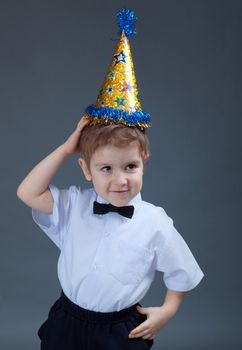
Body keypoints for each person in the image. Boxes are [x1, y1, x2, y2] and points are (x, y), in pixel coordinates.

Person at [17, 8, 204, 350]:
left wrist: (169, 310)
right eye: (106, 169)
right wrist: (65, 148)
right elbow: (27, 192)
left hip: (120, 330)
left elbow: (182, 270)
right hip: (68, 321)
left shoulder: (155, 222)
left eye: (130, 167)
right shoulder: (73, 205)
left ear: (144, 162)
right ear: (87, 169)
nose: (120, 180)